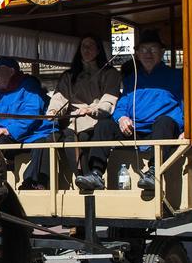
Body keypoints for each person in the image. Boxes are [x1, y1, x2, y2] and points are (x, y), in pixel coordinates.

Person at [76, 30, 183, 191]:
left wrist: (188, 129)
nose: (148, 53)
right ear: (137, 54)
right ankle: (96, 173)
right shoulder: (131, 79)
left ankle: (154, 172)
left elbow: (188, 106)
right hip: (134, 129)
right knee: (104, 125)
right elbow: (121, 106)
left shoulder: (176, 76)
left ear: (161, 52)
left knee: (165, 121)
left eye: (153, 49)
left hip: (161, 130)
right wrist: (121, 118)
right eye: (143, 50)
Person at [0, 57, 58, 189]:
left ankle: (32, 183)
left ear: (11, 71)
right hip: (16, 137)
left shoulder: (29, 87)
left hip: (35, 134)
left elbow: (31, 113)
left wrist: (9, 130)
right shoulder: (0, 93)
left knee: (43, 144)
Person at [45, 36, 122, 185]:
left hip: (96, 121)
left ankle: (89, 178)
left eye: (90, 46)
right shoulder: (69, 76)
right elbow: (59, 97)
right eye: (83, 46)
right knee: (54, 138)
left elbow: (109, 99)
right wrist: (53, 111)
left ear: (98, 50)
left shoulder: (110, 73)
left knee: (85, 138)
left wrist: (92, 109)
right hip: (72, 122)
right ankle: (81, 177)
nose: (86, 49)